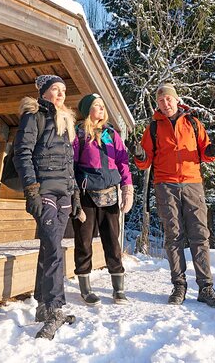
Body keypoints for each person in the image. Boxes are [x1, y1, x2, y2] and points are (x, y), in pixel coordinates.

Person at [130, 83, 215, 307]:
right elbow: (145, 162)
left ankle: (205, 287)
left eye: (169, 99)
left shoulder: (193, 123)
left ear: (176, 100)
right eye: (161, 101)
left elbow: (205, 151)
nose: (166, 103)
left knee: (200, 235)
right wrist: (138, 154)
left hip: (193, 183)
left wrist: (213, 151)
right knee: (173, 235)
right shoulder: (153, 128)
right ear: (158, 104)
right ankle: (179, 286)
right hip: (165, 185)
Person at [13, 74, 83, 339]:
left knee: (49, 246)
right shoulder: (33, 116)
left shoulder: (66, 121)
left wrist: (75, 193)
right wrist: (31, 189)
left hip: (64, 192)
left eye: (63, 90)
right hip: (43, 191)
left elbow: (69, 163)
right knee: (55, 248)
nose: (61, 94)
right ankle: (54, 308)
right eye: (55, 89)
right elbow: (23, 153)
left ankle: (43, 304)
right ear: (43, 93)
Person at [72, 93, 134, 306]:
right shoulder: (79, 134)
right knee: (84, 241)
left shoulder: (111, 134)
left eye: (101, 105)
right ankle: (85, 288)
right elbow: (70, 165)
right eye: (96, 105)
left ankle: (118, 288)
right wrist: (74, 196)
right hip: (86, 195)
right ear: (87, 110)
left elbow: (123, 161)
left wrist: (127, 188)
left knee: (112, 240)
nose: (100, 108)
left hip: (110, 194)